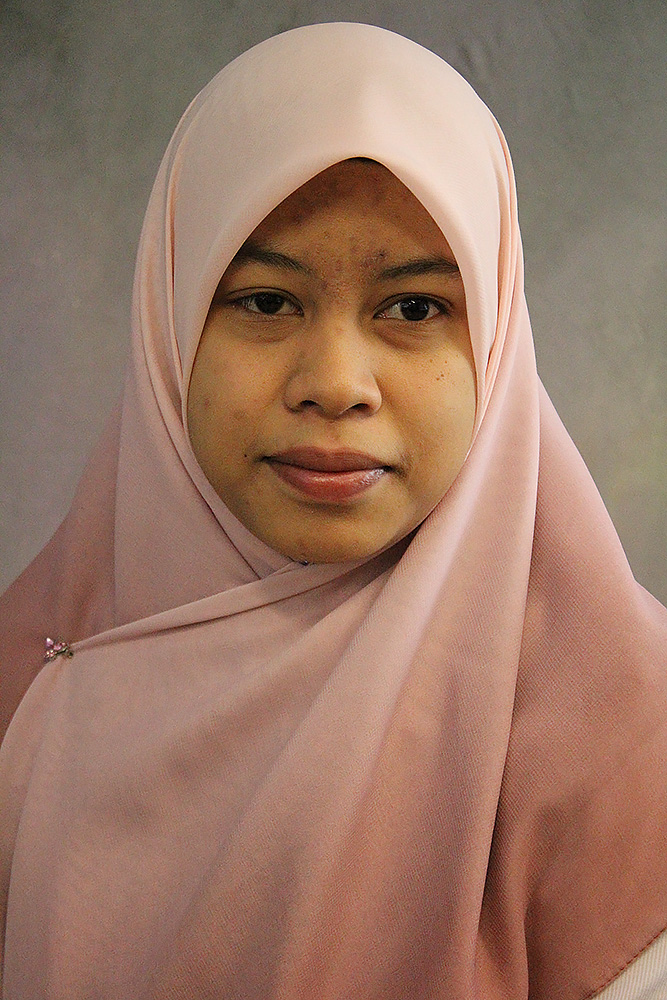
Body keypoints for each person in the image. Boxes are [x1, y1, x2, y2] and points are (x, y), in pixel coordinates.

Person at [1, 21, 666, 1000]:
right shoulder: (28, 681)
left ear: (494, 343)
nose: (335, 383)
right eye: (266, 301)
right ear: (168, 321)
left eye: (413, 309)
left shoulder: (632, 746)